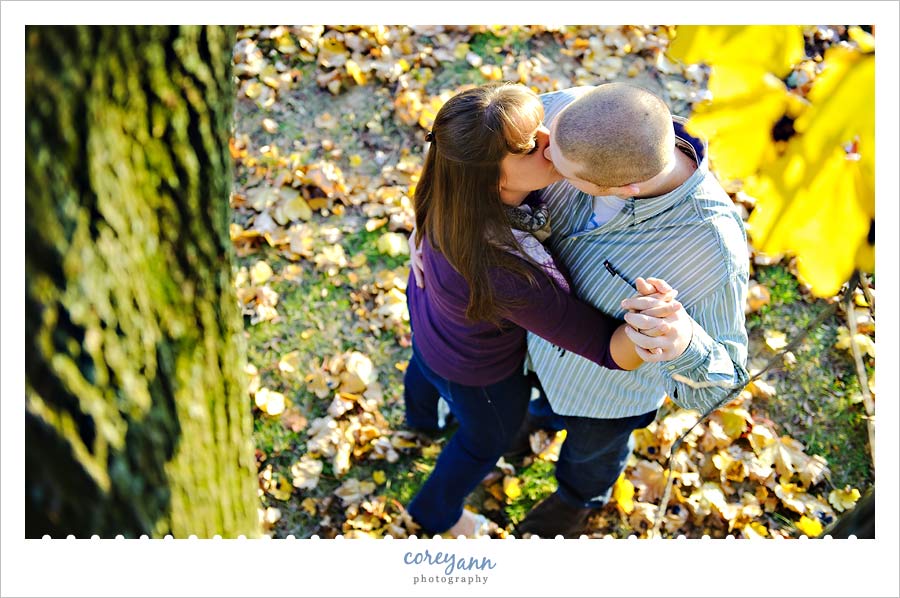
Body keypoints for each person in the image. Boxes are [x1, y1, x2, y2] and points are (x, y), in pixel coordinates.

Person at [402, 82, 686, 538]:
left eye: (543, 124)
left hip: (429, 327)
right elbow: (605, 347)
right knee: (484, 441)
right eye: (530, 145)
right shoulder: (505, 267)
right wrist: (655, 324)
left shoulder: (447, 186)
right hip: (480, 375)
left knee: (423, 371)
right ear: (495, 179)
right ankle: (438, 511)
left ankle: (418, 422)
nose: (552, 140)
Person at [510, 82, 751, 537]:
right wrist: (427, 223)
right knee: (535, 409)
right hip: (534, 351)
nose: (544, 159)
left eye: (560, 170)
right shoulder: (568, 118)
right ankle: (530, 428)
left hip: (604, 397)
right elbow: (472, 145)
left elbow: (726, 379)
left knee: (589, 457)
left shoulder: (712, 250)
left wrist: (683, 344)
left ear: (625, 188)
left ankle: (574, 502)